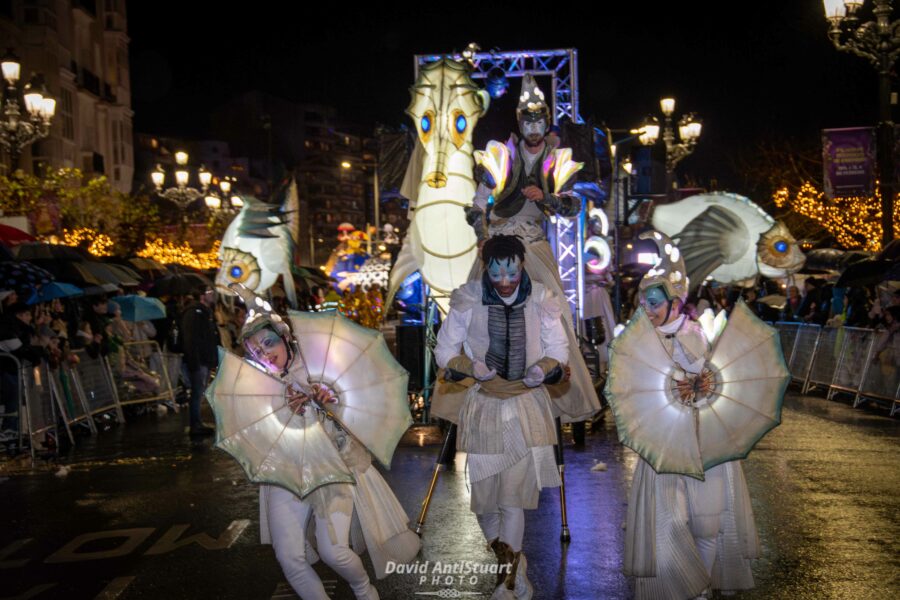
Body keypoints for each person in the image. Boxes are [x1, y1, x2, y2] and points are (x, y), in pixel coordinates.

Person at [233, 285, 420, 600]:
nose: (265, 354)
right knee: (289, 557)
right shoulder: (257, 384)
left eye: (268, 343)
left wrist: (327, 403)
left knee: (334, 552)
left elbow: (355, 414)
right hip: (285, 474)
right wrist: (275, 411)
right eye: (256, 352)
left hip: (331, 468)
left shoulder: (320, 364)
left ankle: (363, 589)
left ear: (284, 336)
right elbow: (255, 434)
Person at [622, 232, 760, 600]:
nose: (648, 309)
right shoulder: (640, 341)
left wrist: (697, 388)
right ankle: (684, 585)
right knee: (672, 520)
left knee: (707, 522)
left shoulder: (693, 334)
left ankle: (700, 591)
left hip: (703, 441)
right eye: (643, 302)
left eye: (655, 302)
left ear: (673, 302)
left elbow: (715, 384)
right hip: (664, 443)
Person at [433, 235, 570, 599]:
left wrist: (544, 368)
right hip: (485, 409)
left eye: (512, 271)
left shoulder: (541, 299)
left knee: (513, 499)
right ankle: (516, 566)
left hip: (526, 408)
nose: (506, 280)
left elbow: (559, 348)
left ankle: (506, 585)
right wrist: (468, 365)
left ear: (522, 265)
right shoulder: (469, 300)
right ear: (487, 269)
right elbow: (444, 350)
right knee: (483, 504)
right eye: (497, 273)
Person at [461, 73, 598, 426]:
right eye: (528, 120)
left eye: (539, 120)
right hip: (500, 245)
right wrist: (482, 237)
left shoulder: (558, 159)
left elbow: (572, 207)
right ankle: (472, 394)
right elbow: (477, 205)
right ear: (520, 123)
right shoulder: (500, 153)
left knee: (554, 314)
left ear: (547, 121)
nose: (534, 127)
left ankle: (553, 395)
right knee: (474, 311)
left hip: (534, 246)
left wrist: (546, 197)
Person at [180, 286, 219, 435]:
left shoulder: (204, 312)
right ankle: (195, 426)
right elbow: (190, 339)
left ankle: (198, 423)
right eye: (209, 293)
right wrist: (194, 362)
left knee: (200, 392)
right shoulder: (193, 312)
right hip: (199, 360)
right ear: (202, 296)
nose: (212, 295)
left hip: (205, 359)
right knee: (197, 393)